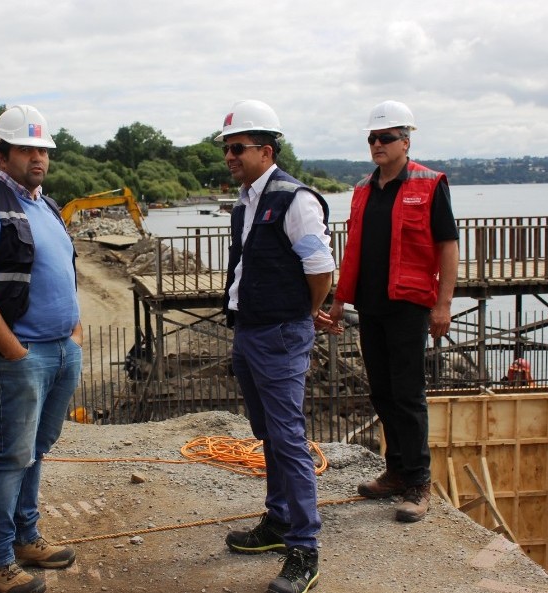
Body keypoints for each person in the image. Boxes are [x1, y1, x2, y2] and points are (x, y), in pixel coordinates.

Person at [0, 105, 82, 593]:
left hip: (60, 350)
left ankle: (26, 538)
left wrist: (74, 333)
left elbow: (64, 269)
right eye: (27, 148)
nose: (38, 157)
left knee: (36, 451)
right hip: (23, 354)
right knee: (11, 456)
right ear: (2, 153)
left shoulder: (44, 204)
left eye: (42, 149)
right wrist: (13, 350)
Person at [217, 99, 336, 593]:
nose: (230, 157)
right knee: (267, 430)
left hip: (280, 333)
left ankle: (304, 549)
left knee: (287, 437)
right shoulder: (247, 200)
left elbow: (320, 269)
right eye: (226, 149)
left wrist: (303, 313)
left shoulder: (294, 199)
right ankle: (279, 519)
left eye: (238, 148)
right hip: (250, 331)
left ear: (266, 150)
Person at [327, 100, 459, 523]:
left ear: (406, 140)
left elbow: (448, 246)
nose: (377, 144)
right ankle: (397, 470)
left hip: (408, 305)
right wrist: (338, 299)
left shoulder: (430, 183)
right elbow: (355, 251)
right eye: (372, 138)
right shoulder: (365, 189)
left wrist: (444, 304)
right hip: (372, 303)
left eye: (385, 138)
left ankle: (419, 483)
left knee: (407, 393)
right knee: (381, 390)